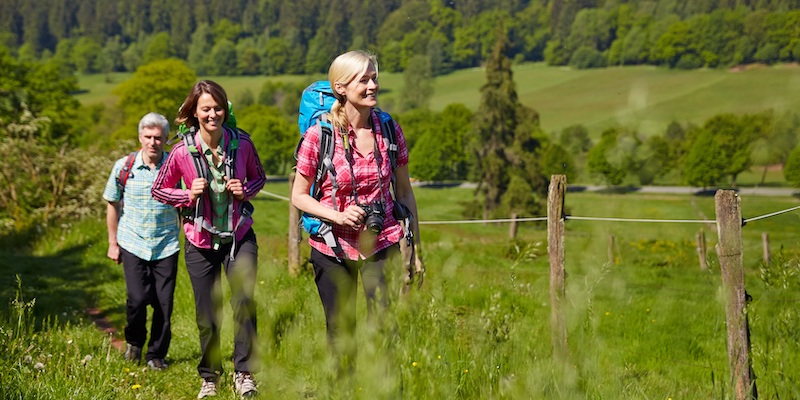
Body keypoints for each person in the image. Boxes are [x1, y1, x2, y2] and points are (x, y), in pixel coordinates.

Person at [291, 50, 424, 372]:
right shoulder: (319, 135)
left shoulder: (389, 130)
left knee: (384, 326)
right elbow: (298, 195)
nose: (372, 86)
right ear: (341, 87)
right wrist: (336, 215)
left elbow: (403, 191)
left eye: (374, 78)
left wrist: (416, 250)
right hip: (331, 246)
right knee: (341, 331)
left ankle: (387, 391)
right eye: (363, 80)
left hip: (382, 242)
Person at [151, 80, 266, 399]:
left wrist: (246, 190)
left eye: (217, 107)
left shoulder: (242, 143)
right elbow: (159, 189)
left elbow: (259, 177)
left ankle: (244, 373)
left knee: (243, 302)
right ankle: (210, 376)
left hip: (240, 236)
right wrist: (186, 195)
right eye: (206, 108)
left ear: (224, 109)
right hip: (199, 240)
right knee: (207, 312)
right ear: (194, 112)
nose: (212, 113)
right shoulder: (180, 151)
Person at [103, 112, 181, 371]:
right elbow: (112, 204)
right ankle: (134, 343)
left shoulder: (176, 166)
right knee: (137, 299)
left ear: (166, 139)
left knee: (163, 303)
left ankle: (156, 355)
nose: (152, 142)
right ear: (140, 137)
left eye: (158, 137)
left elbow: (188, 201)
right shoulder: (124, 167)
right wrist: (113, 242)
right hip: (132, 242)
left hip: (166, 244)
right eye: (147, 137)